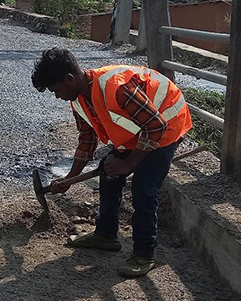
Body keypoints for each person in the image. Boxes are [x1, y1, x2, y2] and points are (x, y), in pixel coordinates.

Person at [30, 48, 193, 278]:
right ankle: (106, 234)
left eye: (55, 90)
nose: (56, 95)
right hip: (141, 128)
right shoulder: (78, 101)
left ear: (69, 79)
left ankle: (144, 254)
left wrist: (128, 165)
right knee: (108, 170)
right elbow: (87, 140)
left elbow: (156, 126)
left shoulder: (116, 89)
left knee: (143, 187)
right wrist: (69, 179)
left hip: (167, 123)